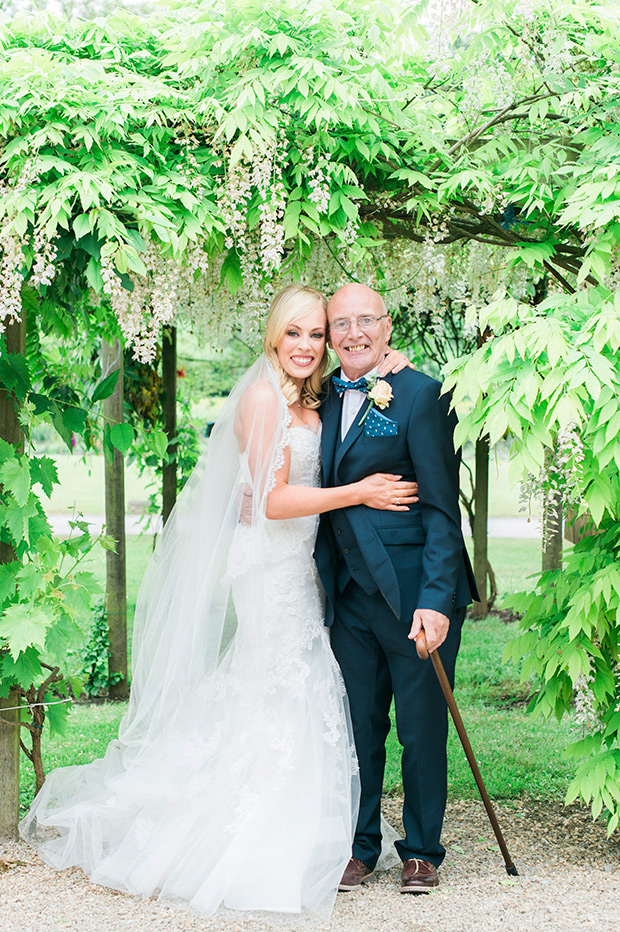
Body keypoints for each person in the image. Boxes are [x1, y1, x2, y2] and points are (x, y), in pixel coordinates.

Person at [20, 284, 417, 920]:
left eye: (317, 334)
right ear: (273, 335)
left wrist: (388, 359)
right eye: (296, 333)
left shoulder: (314, 396)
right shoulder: (262, 398)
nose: (309, 346)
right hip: (270, 569)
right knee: (279, 684)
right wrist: (359, 492)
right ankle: (250, 830)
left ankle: (297, 823)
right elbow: (272, 500)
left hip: (301, 566)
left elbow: (344, 404)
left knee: (288, 686)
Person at [314, 282, 479, 895]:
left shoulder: (420, 393)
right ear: (330, 334)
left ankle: (421, 849)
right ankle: (359, 846)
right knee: (357, 726)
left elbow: (440, 508)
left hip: (413, 595)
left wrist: (437, 600)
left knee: (420, 726)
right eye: (341, 324)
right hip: (346, 596)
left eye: (365, 321)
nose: (353, 334)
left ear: (386, 326)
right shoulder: (320, 396)